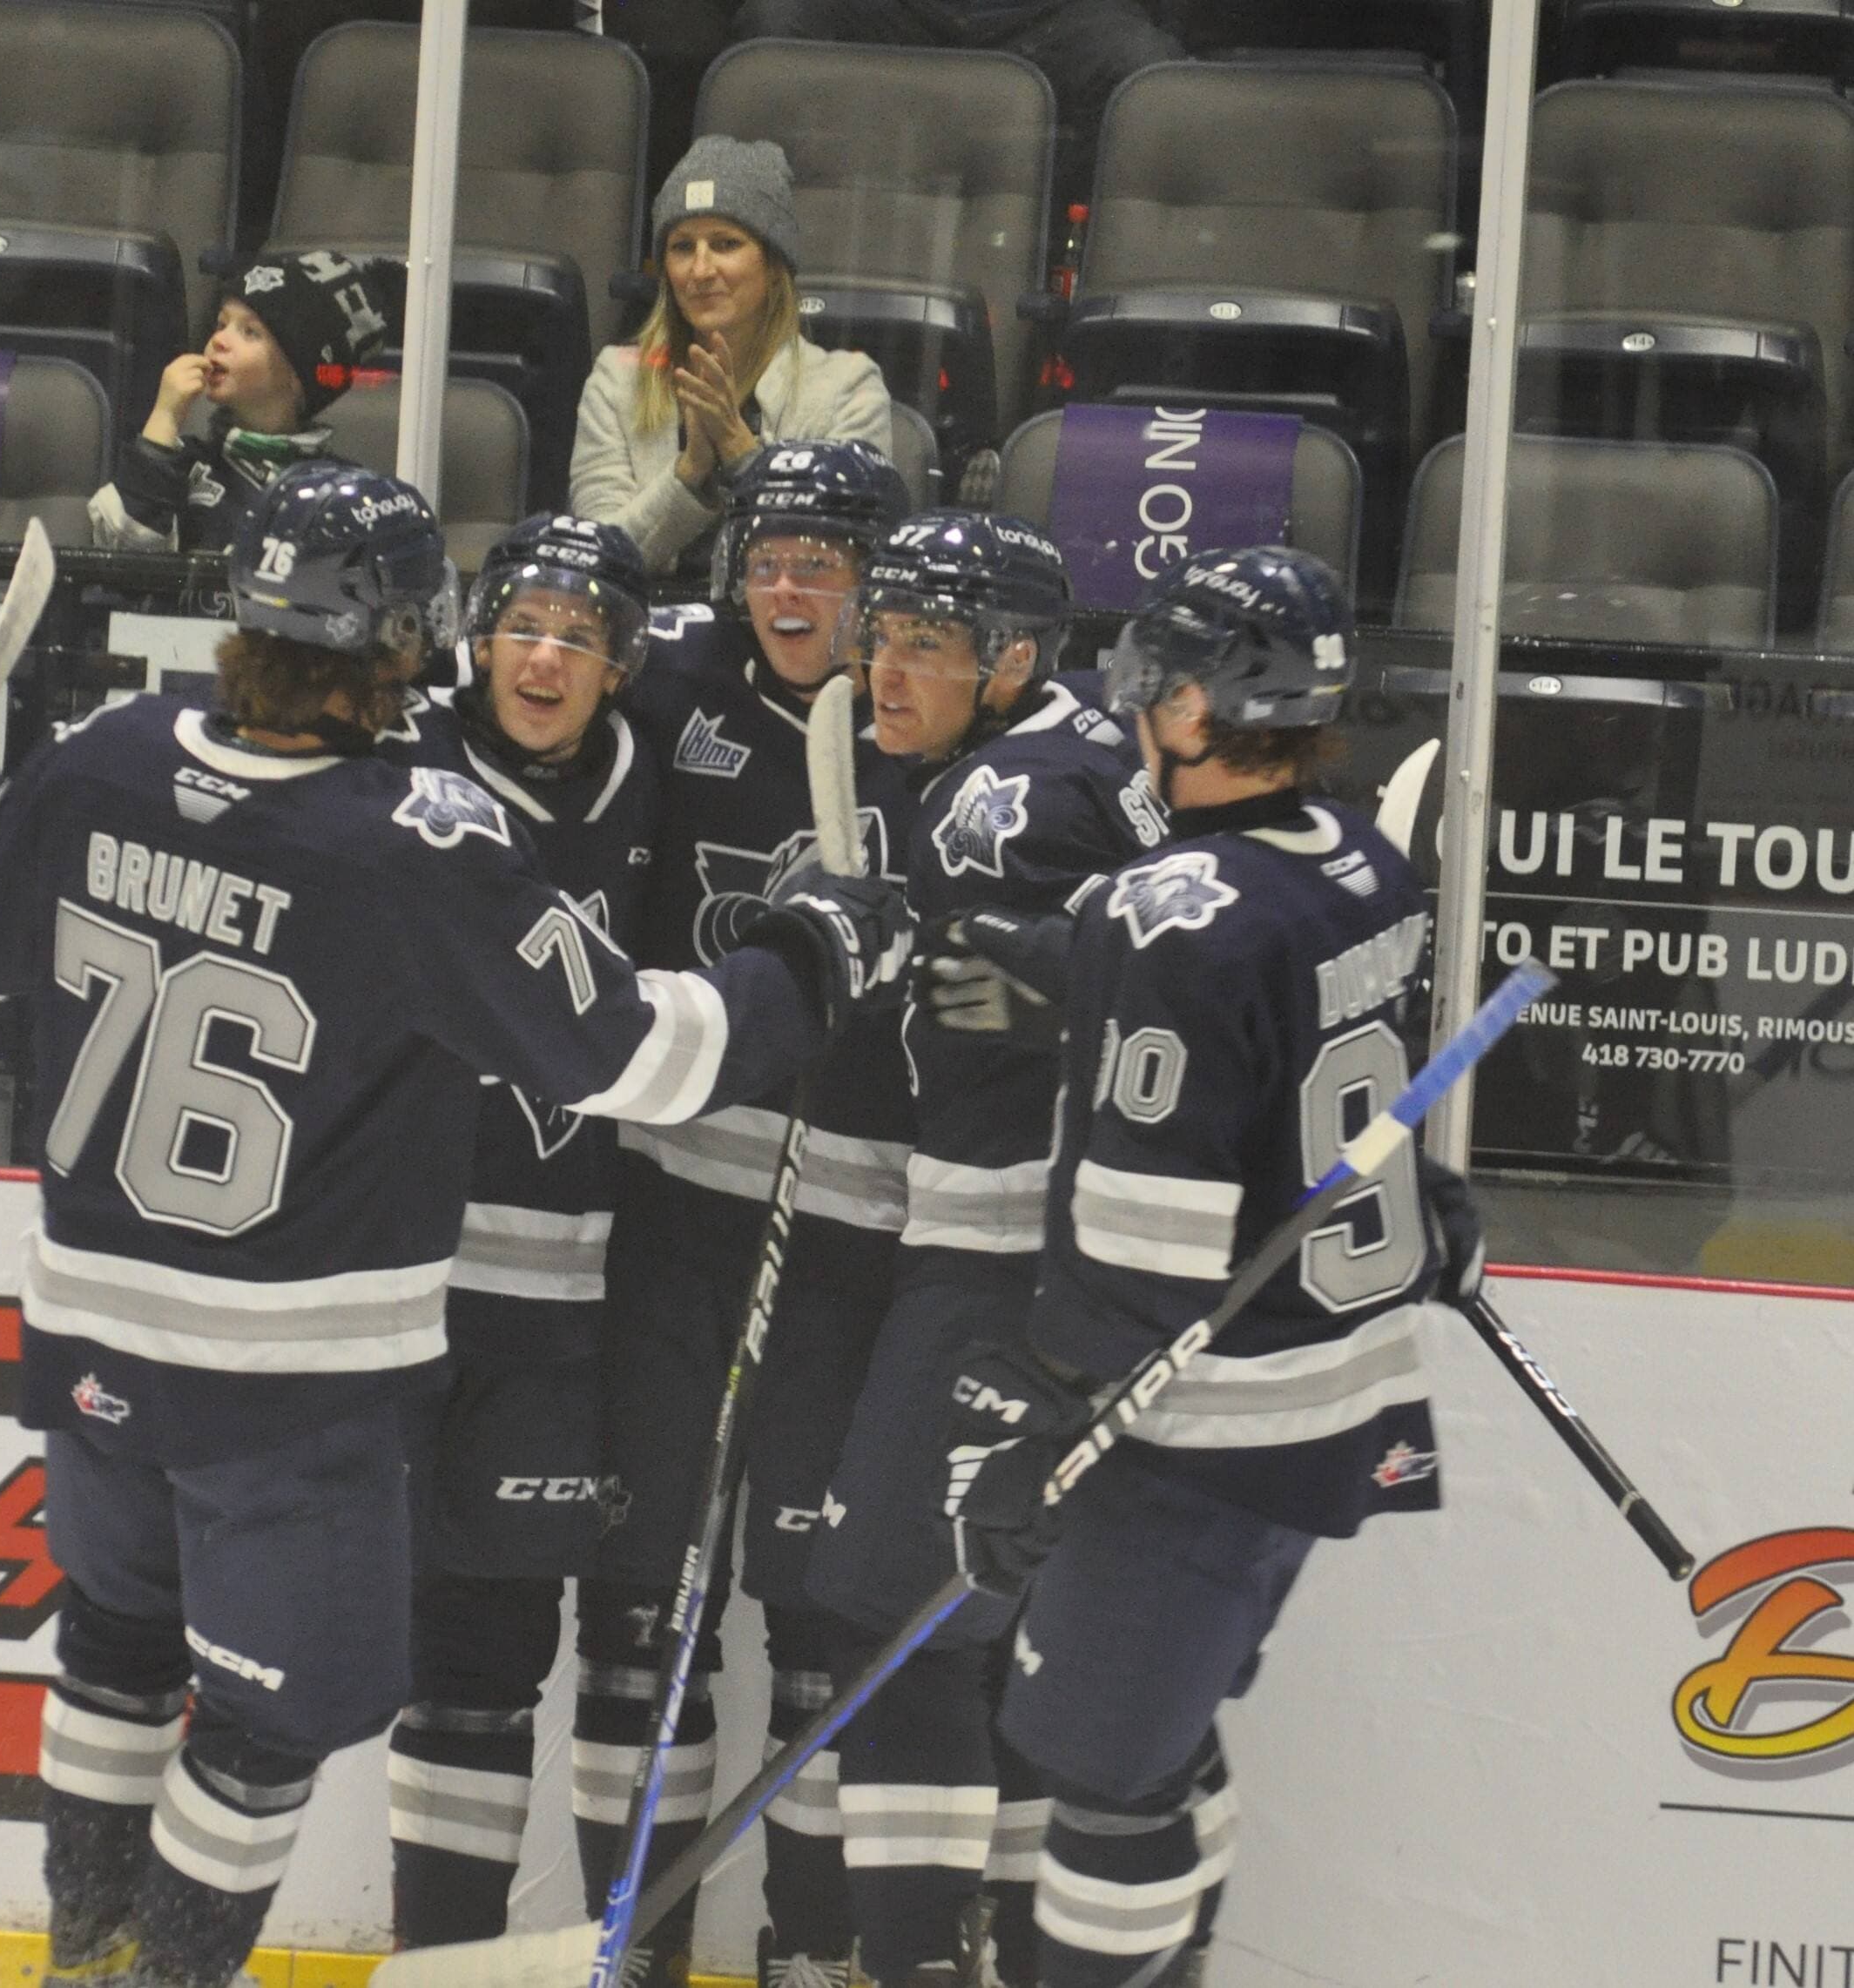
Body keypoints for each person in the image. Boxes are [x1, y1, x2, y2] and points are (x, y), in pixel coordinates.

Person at [0, 459, 912, 1988]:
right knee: (269, 1719)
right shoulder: (415, 838)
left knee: (113, 1645)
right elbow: (635, 1056)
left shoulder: (110, 755)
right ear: (412, 636)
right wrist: (811, 955)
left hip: (87, 1337)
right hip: (290, 1384)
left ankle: (80, 1951)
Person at [934, 545, 1479, 1988]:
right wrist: (1058, 968)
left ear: (1190, 706)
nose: (1132, 702)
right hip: (1330, 1407)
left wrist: (1037, 1422)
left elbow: (1143, 1244)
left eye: (1152, 679)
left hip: (1197, 1434)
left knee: (1099, 1772)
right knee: (1159, 1742)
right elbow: (1286, 1058)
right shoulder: (1357, 859)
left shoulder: (1161, 909)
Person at [800, 510, 1169, 1988]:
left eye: (925, 644)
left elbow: (1086, 988)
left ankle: (914, 1970)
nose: (884, 671)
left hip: (1004, 1255)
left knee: (883, 1611)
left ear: (1009, 660)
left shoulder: (998, 800)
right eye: (879, 635)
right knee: (1004, 1628)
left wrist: (890, 962)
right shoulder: (1092, 752)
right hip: (1098, 1266)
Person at [585, 439, 914, 1988]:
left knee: (812, 1624)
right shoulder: (670, 683)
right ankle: (631, 1944)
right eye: (769, 557)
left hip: (849, 1244)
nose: (791, 588)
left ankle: (814, 1947)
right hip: (670, 1218)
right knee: (641, 1607)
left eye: (823, 563)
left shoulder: (932, 724)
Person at [380, 514, 664, 1951]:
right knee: (419, 1650)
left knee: (502, 1641)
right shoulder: (397, 759)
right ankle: (435, 1961)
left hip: (558, 1298)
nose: (544, 657)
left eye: (579, 635)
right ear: (477, 637)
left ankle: (529, 1963)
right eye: (523, 627)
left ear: (621, 663)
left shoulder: (654, 769)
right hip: (390, 1287)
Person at [570, 135, 893, 578]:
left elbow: (840, 555)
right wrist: (689, 473)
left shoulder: (847, 387)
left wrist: (740, 451)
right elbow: (597, 557)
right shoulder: (617, 379)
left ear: (773, 264)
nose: (701, 270)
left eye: (725, 244)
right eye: (682, 247)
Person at [722, 0, 1182, 226]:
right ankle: (763, 265)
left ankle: (1092, 294)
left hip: (1050, 10)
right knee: (775, 26)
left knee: (1144, 68)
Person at [89, 250, 406, 554]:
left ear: (299, 375)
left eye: (250, 332)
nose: (219, 340)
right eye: (221, 324)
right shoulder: (180, 466)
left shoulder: (345, 492)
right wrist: (164, 418)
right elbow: (124, 554)